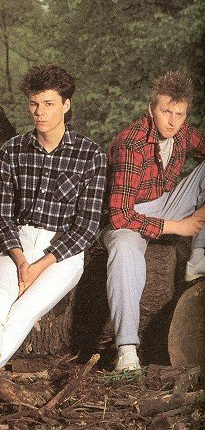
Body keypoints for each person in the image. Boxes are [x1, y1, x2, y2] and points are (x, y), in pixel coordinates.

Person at [0, 64, 107, 375]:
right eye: (33, 103)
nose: (39, 112)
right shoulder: (12, 150)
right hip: (17, 241)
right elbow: (1, 216)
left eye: (48, 103)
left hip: (63, 252)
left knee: (23, 311)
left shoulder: (90, 155)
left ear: (66, 105)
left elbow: (86, 227)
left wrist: (39, 265)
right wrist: (20, 260)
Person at [102, 70, 205, 372]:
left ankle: (198, 258)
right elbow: (119, 215)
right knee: (124, 248)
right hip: (125, 217)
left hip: (164, 204)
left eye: (179, 114)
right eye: (165, 112)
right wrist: (179, 227)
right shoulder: (131, 143)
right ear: (151, 110)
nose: (172, 121)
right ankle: (127, 351)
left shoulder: (181, 132)